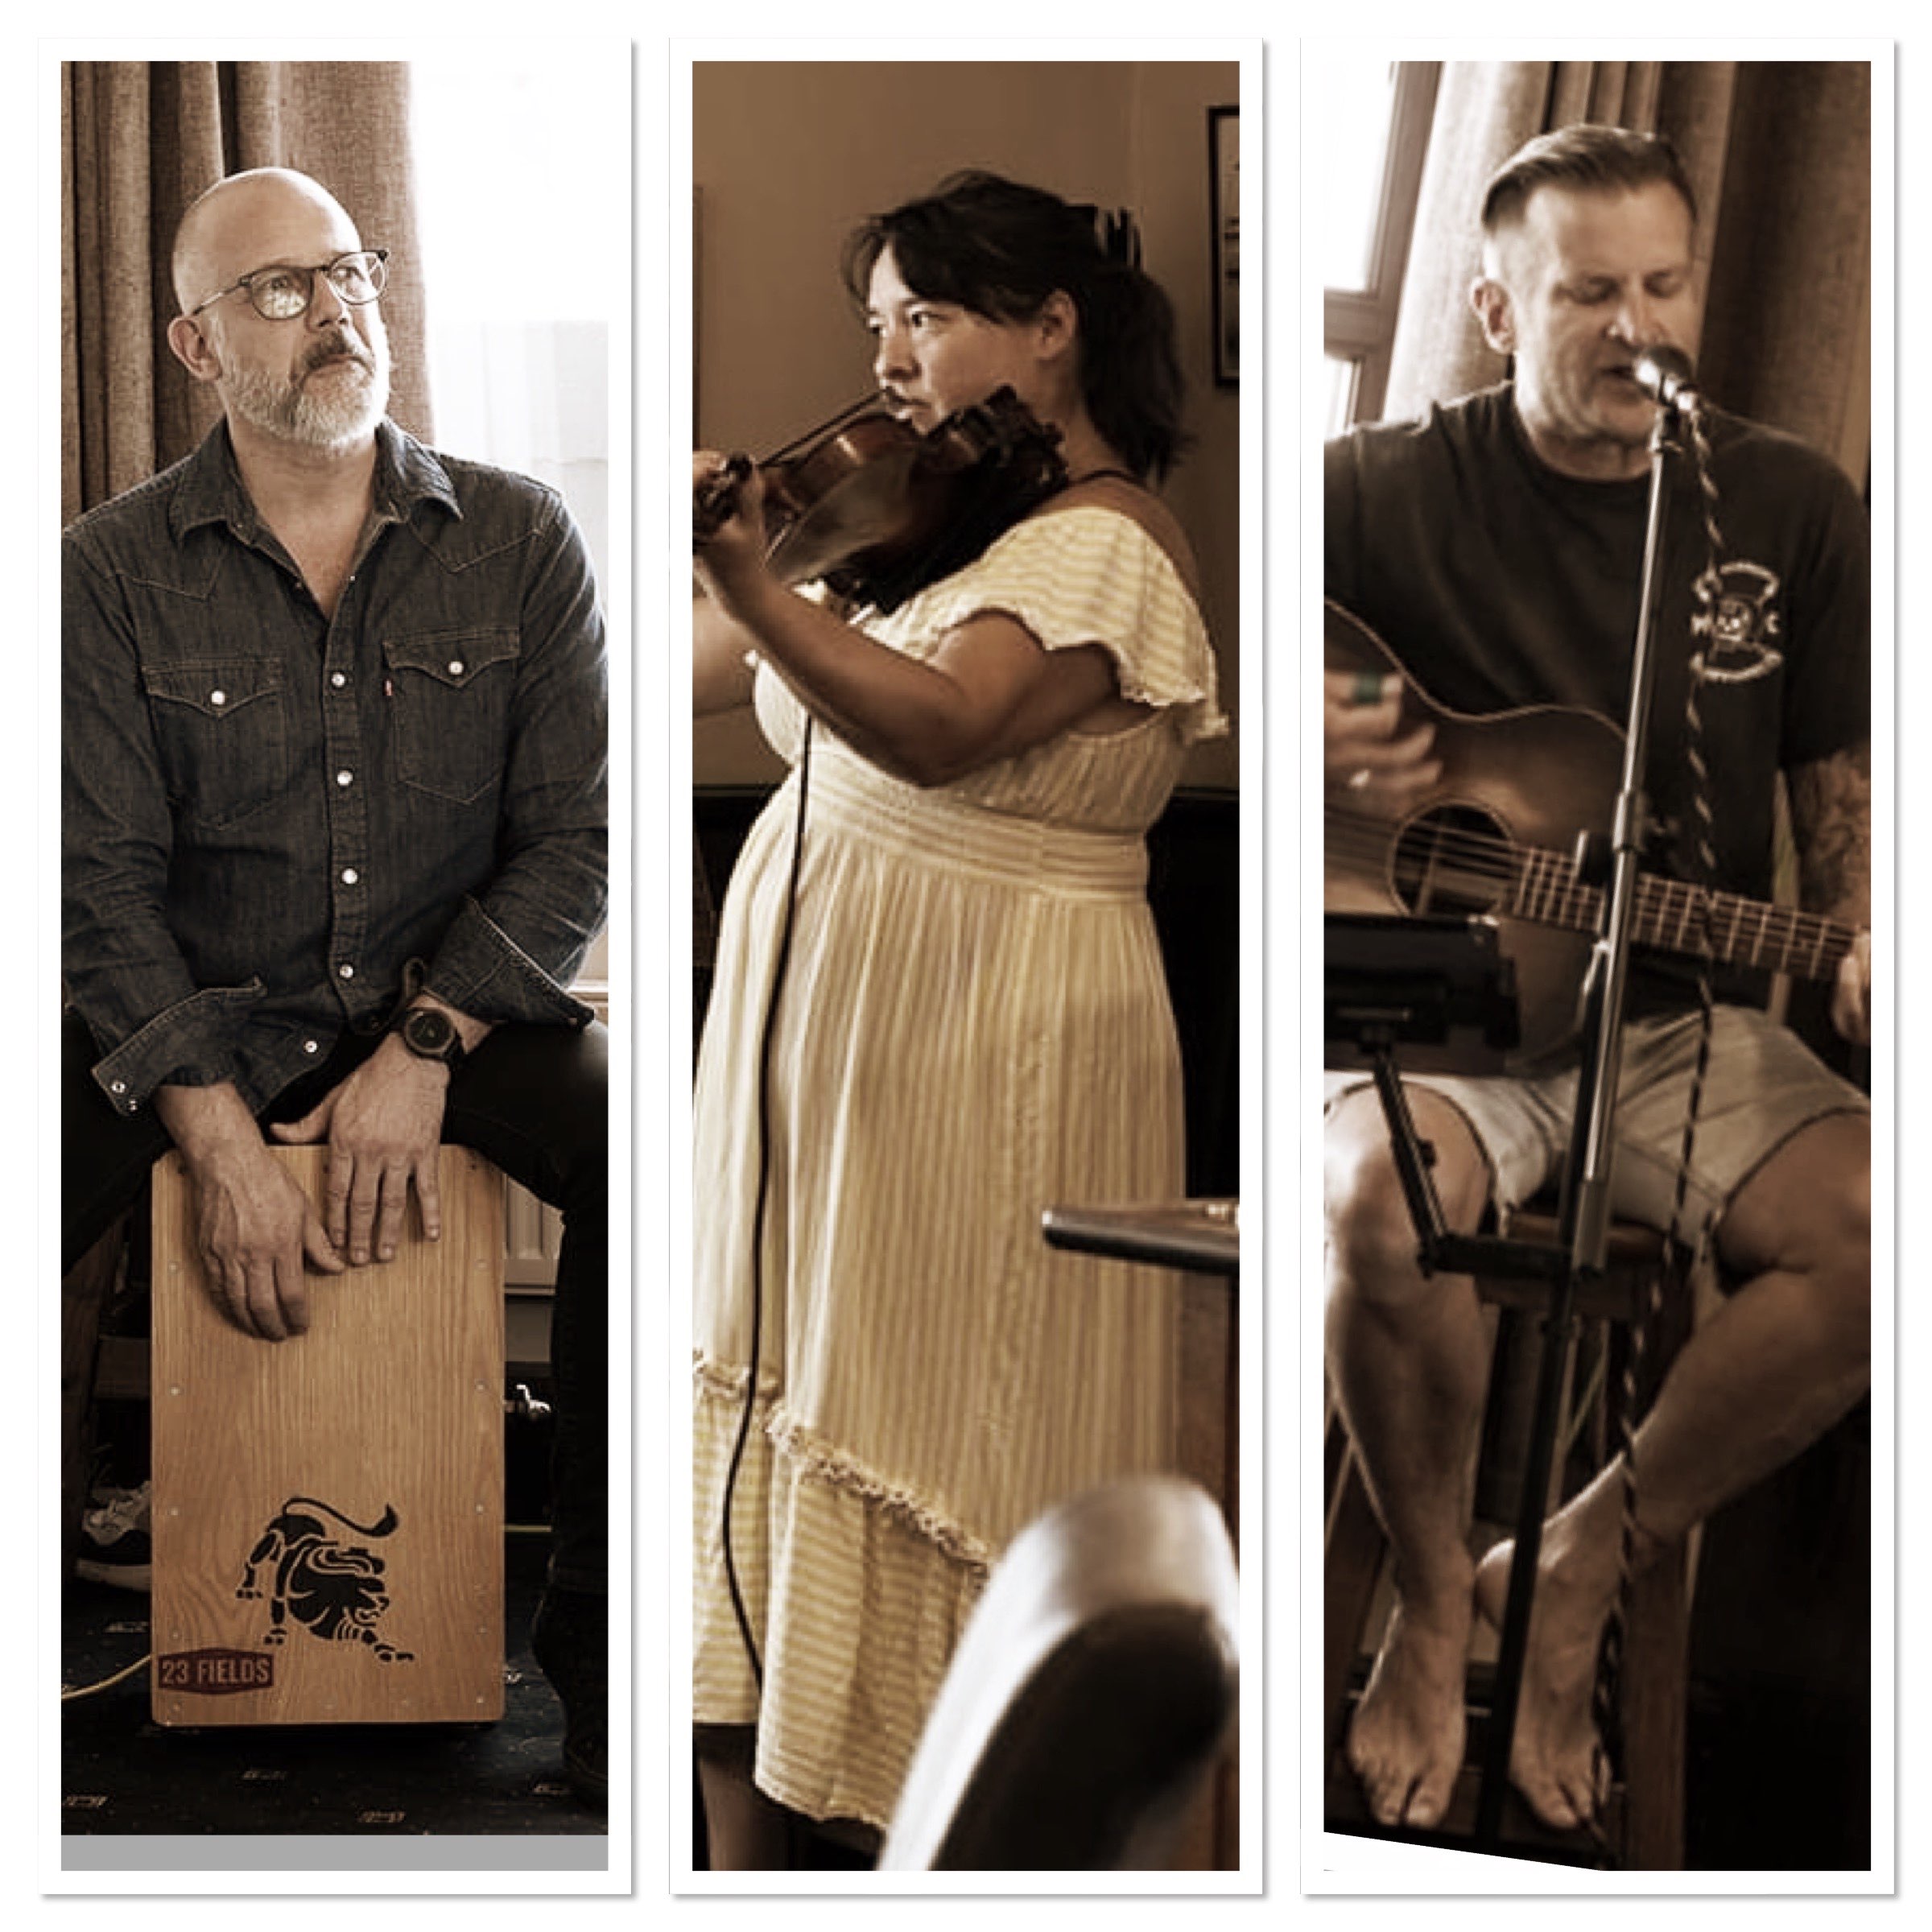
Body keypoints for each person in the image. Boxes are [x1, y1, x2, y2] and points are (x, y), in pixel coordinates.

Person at [1323, 123, 1872, 1837]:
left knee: (1893, 1230)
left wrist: (1869, 931)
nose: (1640, 328)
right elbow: (1233, 724)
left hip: (1678, 1029)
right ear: (1495, 307)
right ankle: (1426, 1604)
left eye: (1664, 285)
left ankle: (1574, 1564)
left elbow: (1842, 798)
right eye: (1588, 294)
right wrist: (1320, 751)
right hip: (1447, 1014)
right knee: (1378, 1197)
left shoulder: (1783, 505)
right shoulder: (1366, 493)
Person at [689, 170, 1226, 1864]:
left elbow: (940, 732)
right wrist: (726, 560)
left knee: (948, 1416)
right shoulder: (943, 528)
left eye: (927, 315)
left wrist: (762, 591)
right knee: (792, 1424)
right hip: (838, 1055)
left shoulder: (1109, 543)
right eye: (879, 325)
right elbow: (704, 666)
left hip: (991, 1036)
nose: (894, 357)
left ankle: (954, 1837)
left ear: (1051, 327)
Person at [61, 168, 610, 1806]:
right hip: (198, 1024)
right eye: (282, 291)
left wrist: (432, 1045)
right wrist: (216, 1142)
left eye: (350, 272)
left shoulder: (520, 540)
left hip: (447, 1014)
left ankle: (583, 1654)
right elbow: (96, 887)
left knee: (647, 1159)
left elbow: (574, 847)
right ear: (193, 343)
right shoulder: (103, 568)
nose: (338, 312)